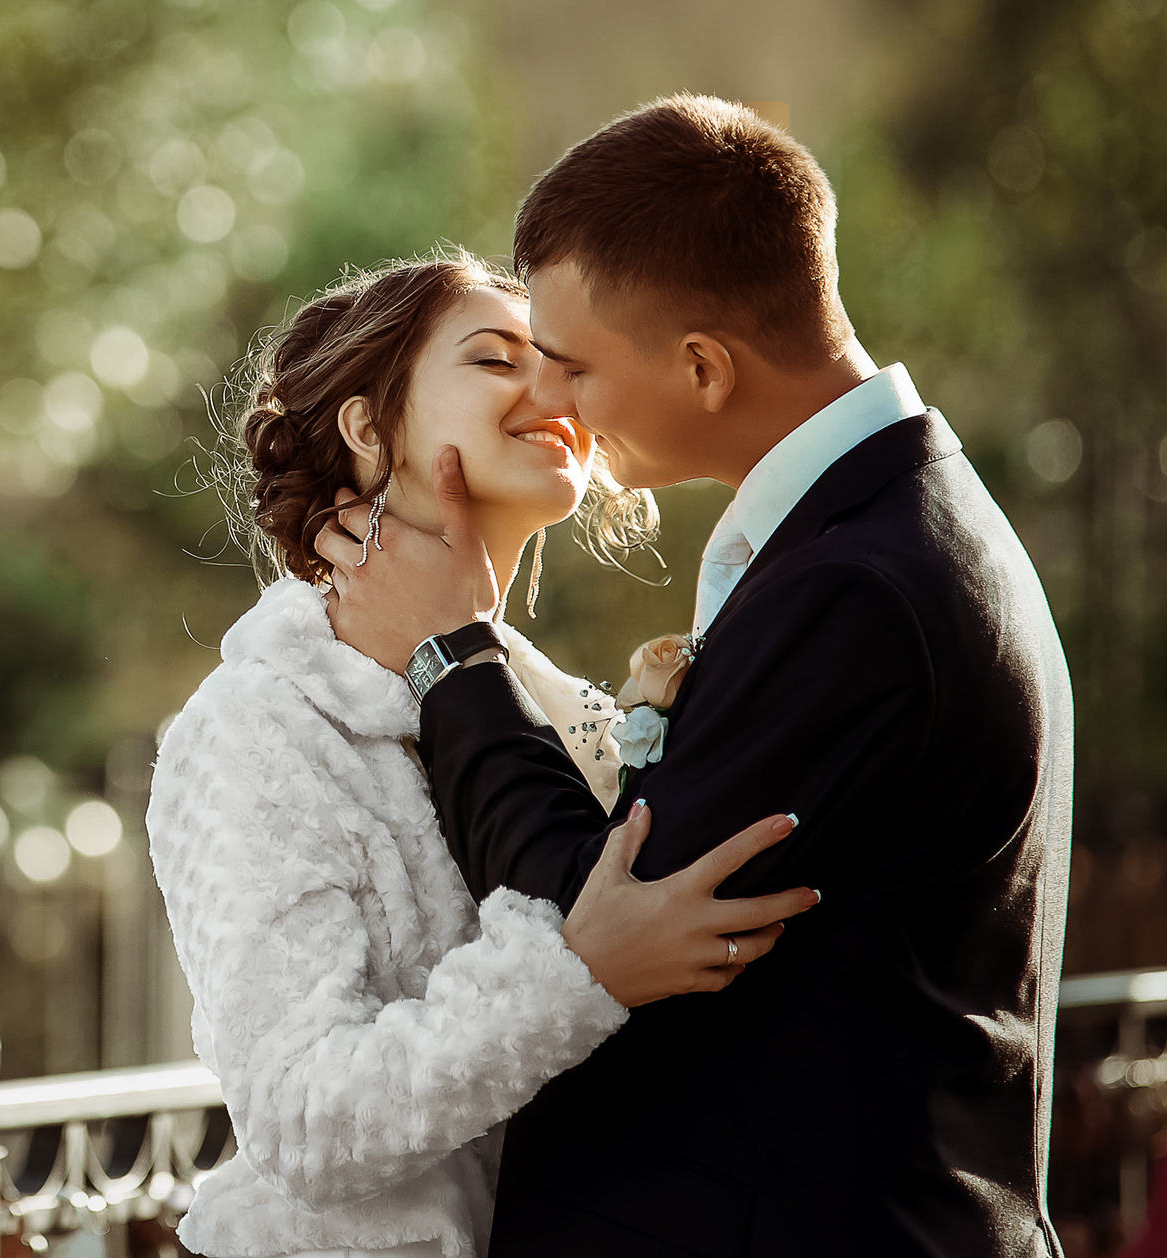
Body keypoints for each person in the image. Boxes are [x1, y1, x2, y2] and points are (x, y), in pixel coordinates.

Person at [320, 96, 1073, 1255]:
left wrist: (452, 653)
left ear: (702, 365)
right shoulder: (884, 527)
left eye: (569, 365)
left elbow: (598, 906)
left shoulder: (862, 588)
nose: (553, 405)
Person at [147, 249, 819, 1258]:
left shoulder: (556, 715)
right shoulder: (255, 725)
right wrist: (573, 971)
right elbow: (301, 1121)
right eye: (497, 359)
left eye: (555, 362)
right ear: (369, 431)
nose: (550, 388)